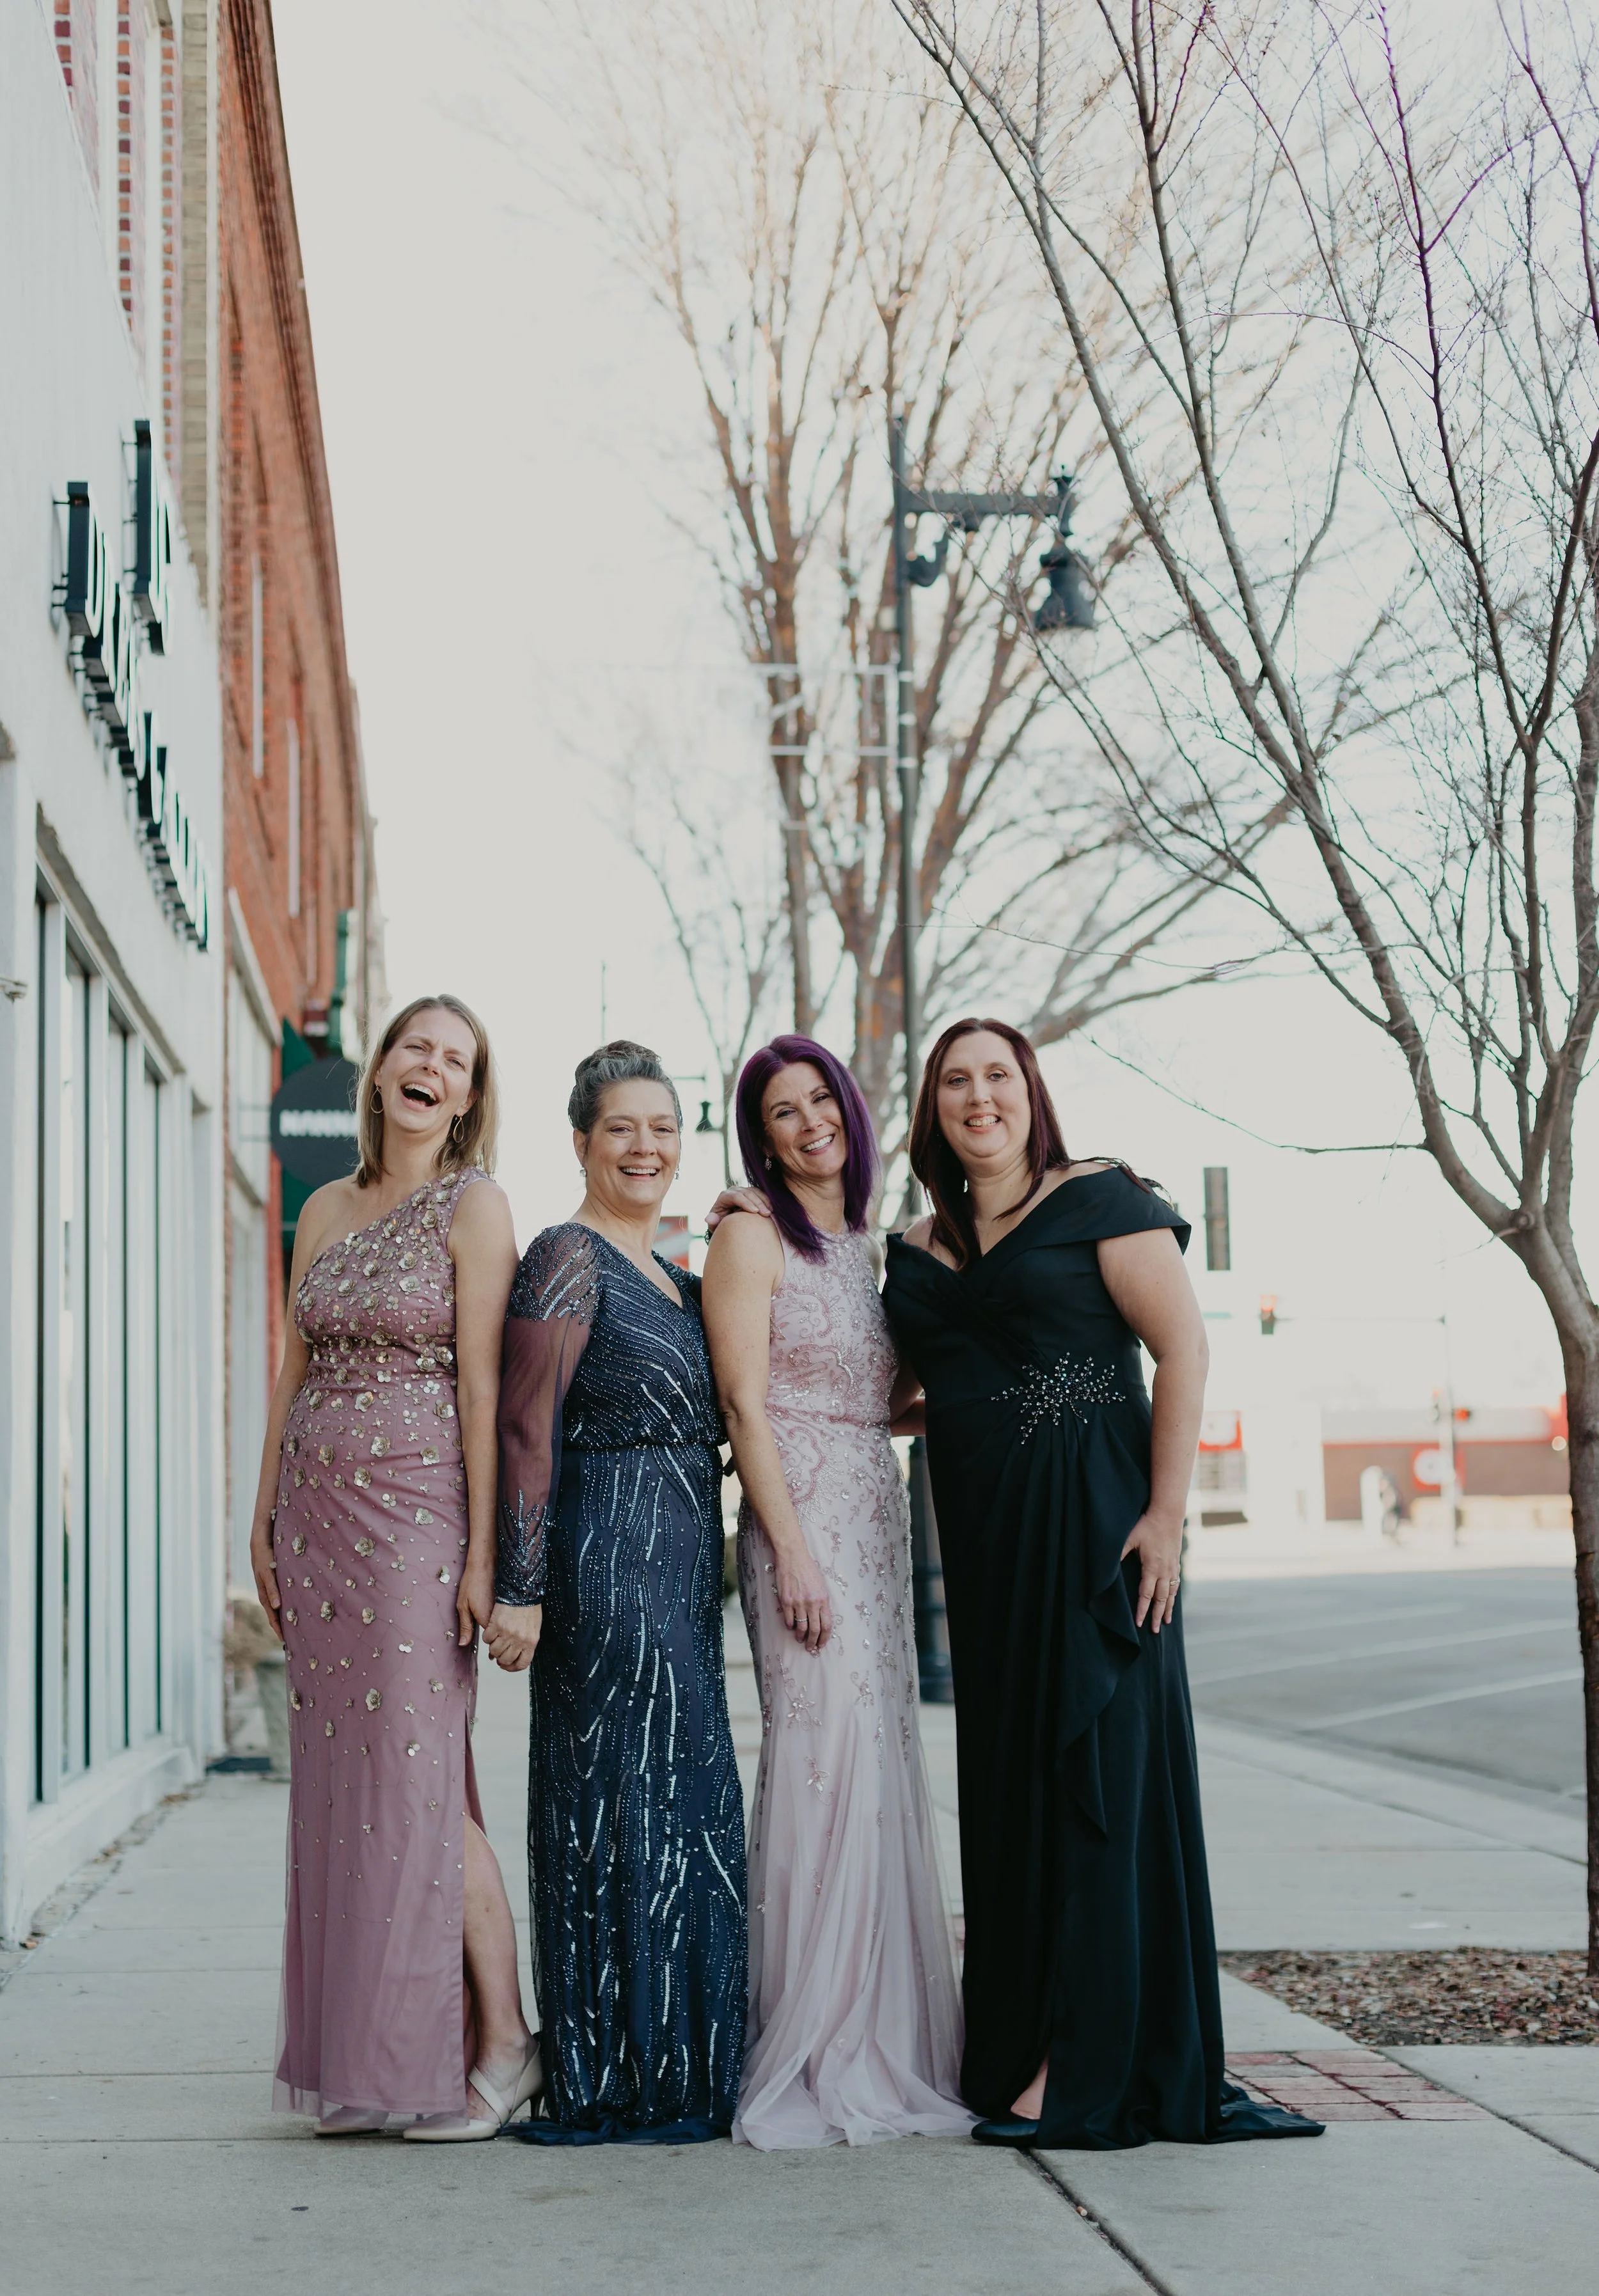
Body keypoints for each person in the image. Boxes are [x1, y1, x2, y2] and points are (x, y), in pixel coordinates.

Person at [880, 1018, 1323, 2151]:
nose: (980, 1097)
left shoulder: (1101, 1199)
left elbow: (1183, 1346)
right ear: (931, 1110)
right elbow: (906, 1390)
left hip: (1099, 1542)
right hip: (988, 1559)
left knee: (1101, 1794)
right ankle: (1024, 2042)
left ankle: (1079, 2069)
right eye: (956, 1082)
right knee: (1015, 1797)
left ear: (1031, 1092)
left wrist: (1166, 1515)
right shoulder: (918, 1250)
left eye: (999, 1077)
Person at [249, 995, 539, 2141]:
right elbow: (291, 1374)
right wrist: (263, 1510)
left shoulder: (475, 1208)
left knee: (421, 1787)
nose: (431, 1067)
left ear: (468, 1098)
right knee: (344, 1793)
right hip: (318, 1525)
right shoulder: (322, 1204)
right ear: (378, 1073)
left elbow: (487, 1391)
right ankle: (373, 2056)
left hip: (419, 1528)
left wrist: (485, 1554)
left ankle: (507, 2044)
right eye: (415, 1047)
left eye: (455, 1060)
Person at [700, 1036, 968, 2150]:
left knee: (882, 1765)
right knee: (823, 1766)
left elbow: (884, 1393)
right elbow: (745, 1404)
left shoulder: (862, 1244)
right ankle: (814, 2040)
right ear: (759, 1136)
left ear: (850, 1113)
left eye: (821, 1101)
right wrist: (792, 1551)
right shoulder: (748, 1233)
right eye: (781, 1110)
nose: (808, 1121)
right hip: (799, 1526)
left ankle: (887, 2033)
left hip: (872, 1510)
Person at [489, 1042, 745, 2143]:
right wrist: (523, 1586)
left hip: (686, 1571)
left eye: (663, 1127)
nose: (645, 1147)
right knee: (621, 1811)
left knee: (686, 1811)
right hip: (604, 1571)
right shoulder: (566, 1255)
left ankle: (688, 2059)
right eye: (622, 1128)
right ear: (582, 1141)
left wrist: (756, 1225)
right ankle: (619, 2067)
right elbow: (525, 1426)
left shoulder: (682, 1279)